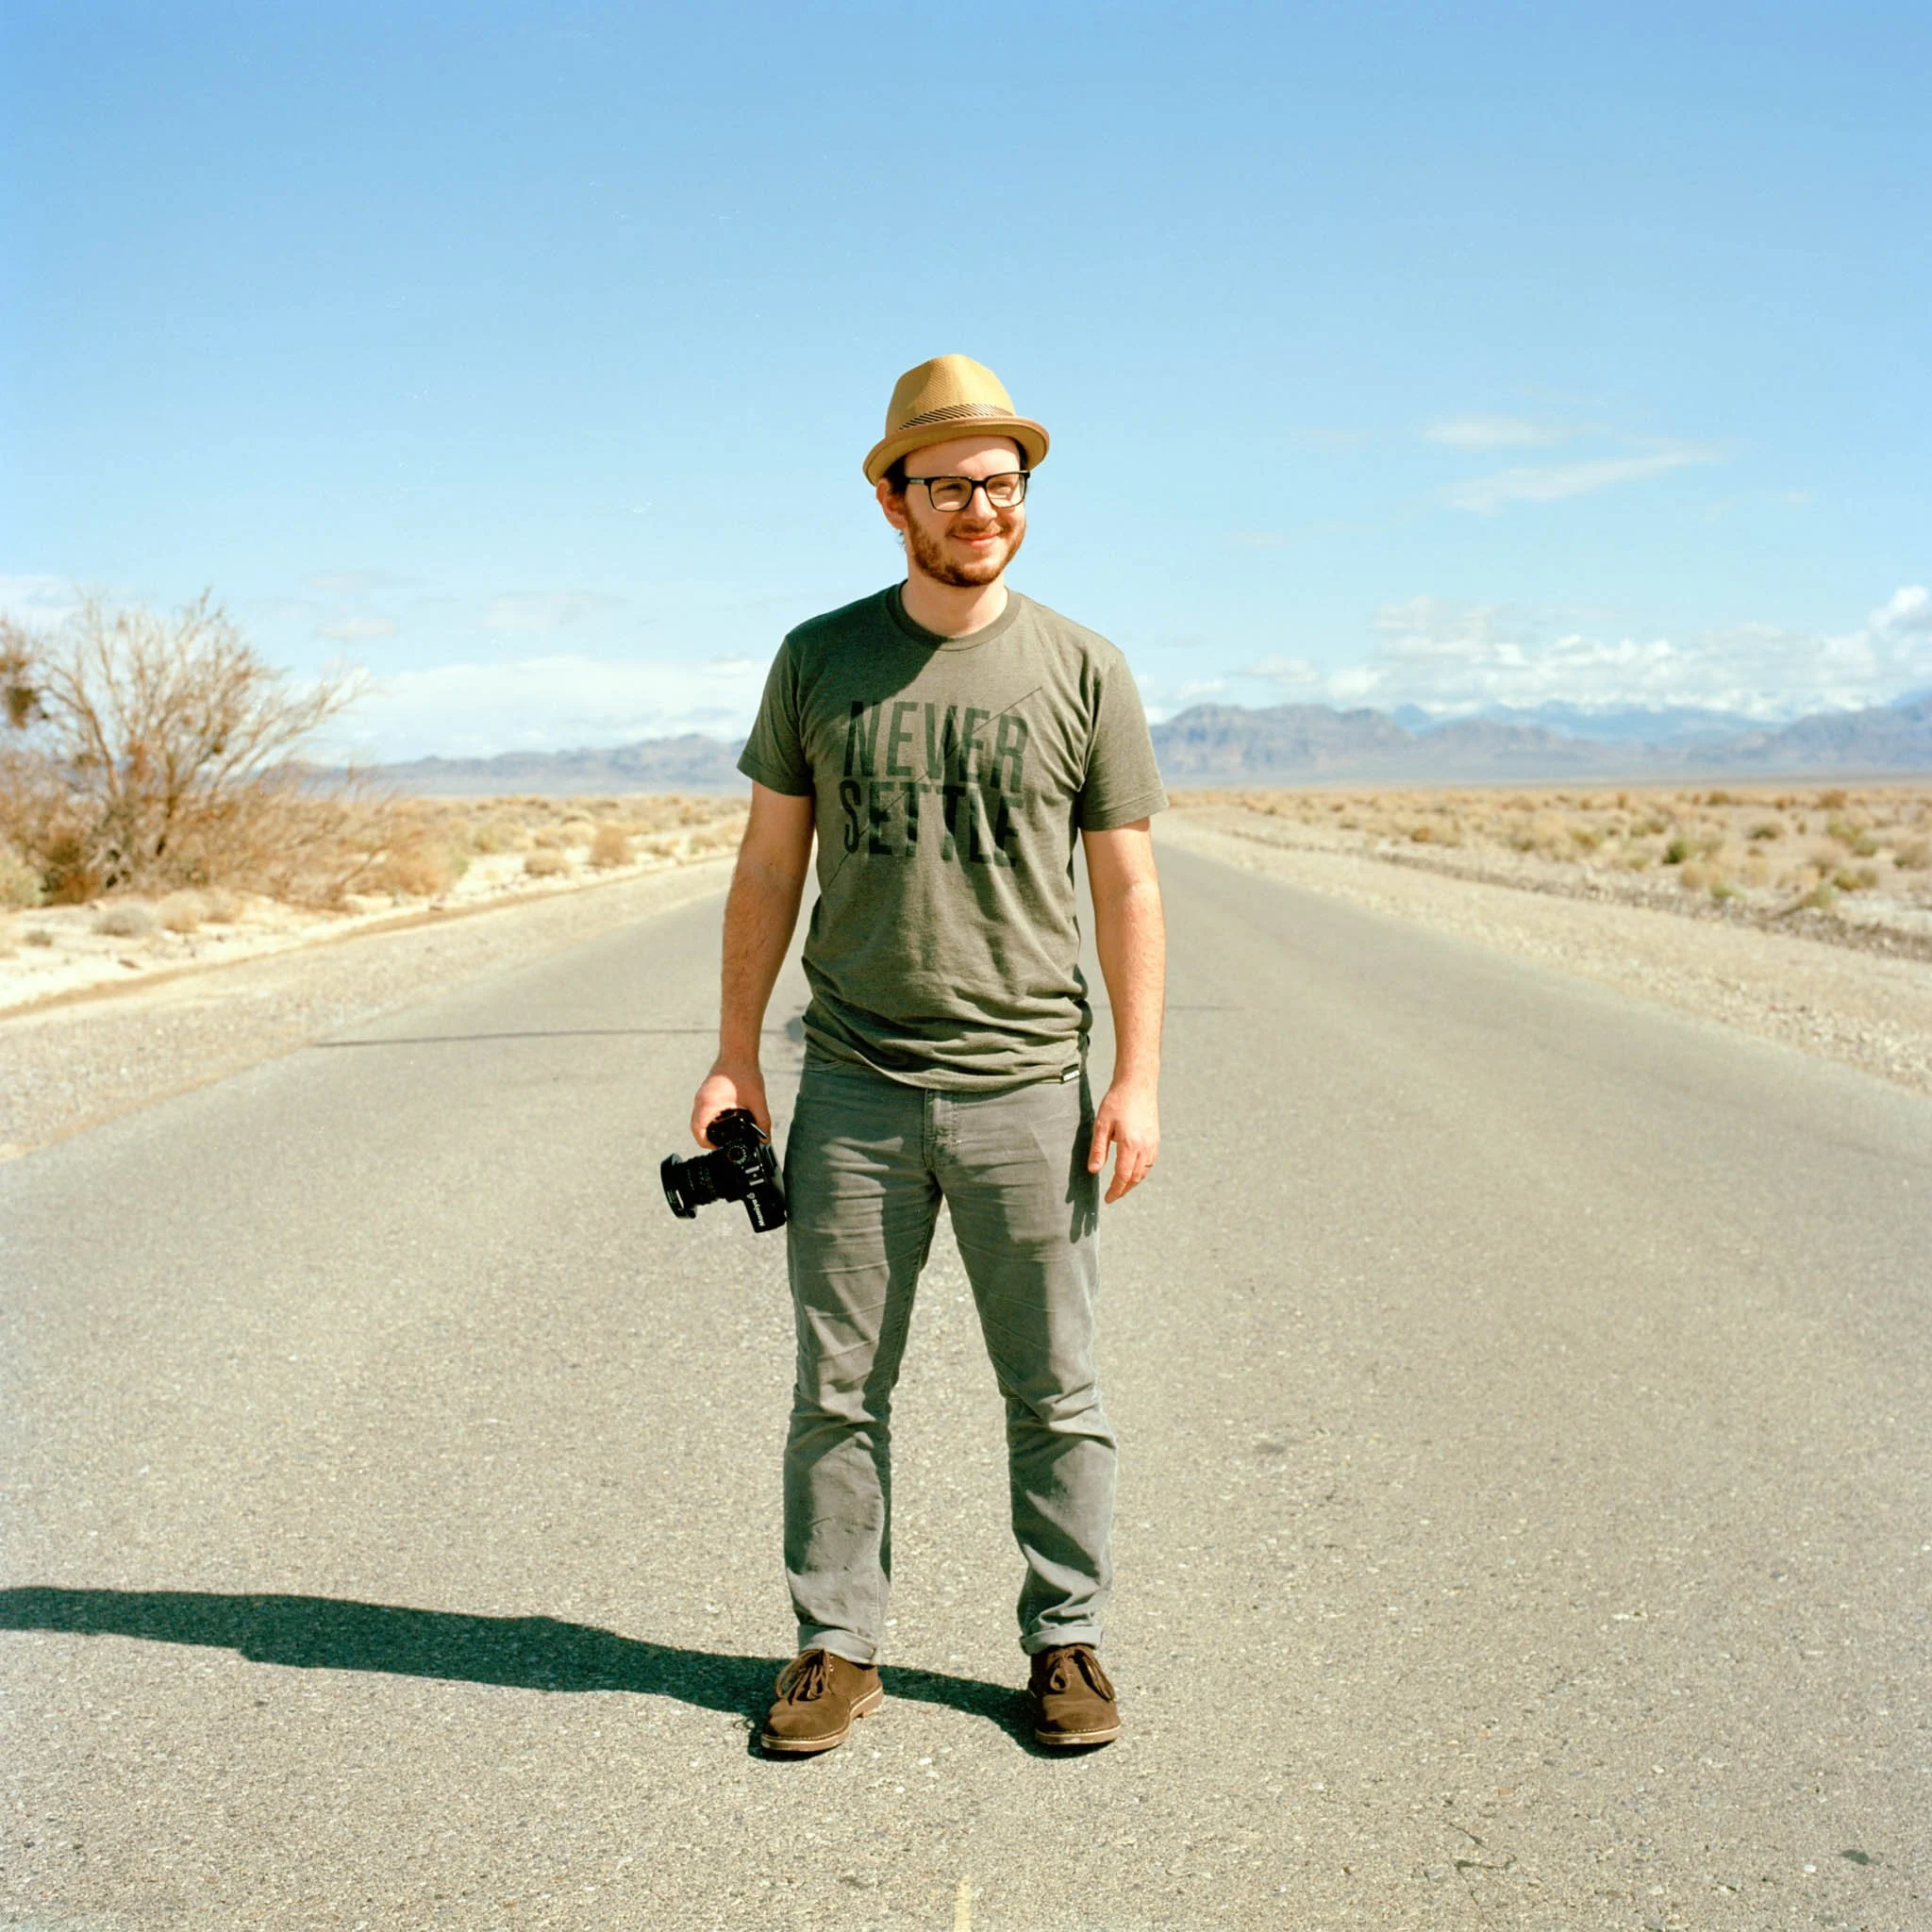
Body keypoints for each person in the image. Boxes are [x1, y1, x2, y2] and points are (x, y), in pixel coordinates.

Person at [690, 353, 1168, 1755]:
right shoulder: (819, 660)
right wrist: (735, 1055)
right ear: (893, 501)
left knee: (1057, 1392)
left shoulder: (1085, 667)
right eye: (949, 485)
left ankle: (1066, 1641)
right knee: (838, 1389)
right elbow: (769, 869)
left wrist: (1135, 1077)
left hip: (1030, 1086)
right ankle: (836, 1647)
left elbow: (1128, 887)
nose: (980, 509)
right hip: (853, 1084)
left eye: (1002, 485)